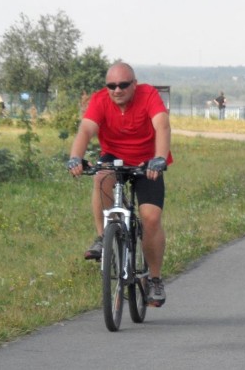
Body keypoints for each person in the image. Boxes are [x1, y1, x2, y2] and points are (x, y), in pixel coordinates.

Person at [66, 62, 172, 307]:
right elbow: (86, 130)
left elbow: (162, 125)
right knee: (101, 176)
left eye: (123, 85)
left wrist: (159, 158)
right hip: (114, 157)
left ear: (134, 84)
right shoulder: (100, 100)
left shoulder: (148, 95)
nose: (117, 90)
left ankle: (154, 279)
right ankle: (104, 237)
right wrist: (75, 157)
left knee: (151, 217)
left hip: (148, 162)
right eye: (111, 85)